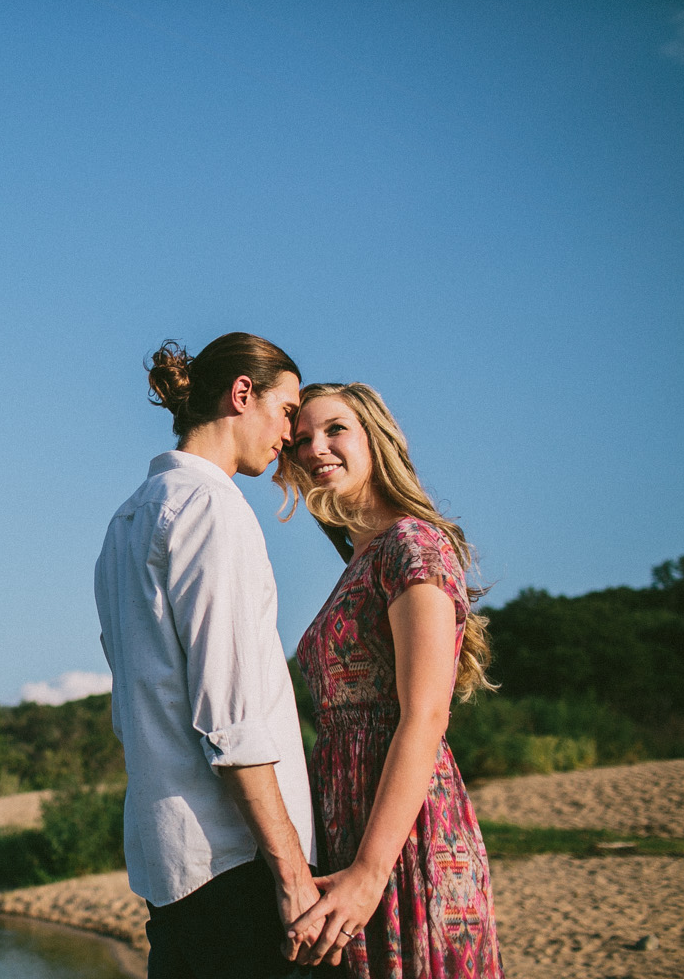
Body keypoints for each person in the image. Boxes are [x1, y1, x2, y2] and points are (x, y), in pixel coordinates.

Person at [95, 334, 336, 979]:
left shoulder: (125, 524)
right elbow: (231, 716)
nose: (292, 436)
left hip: (172, 866)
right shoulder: (210, 508)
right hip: (237, 865)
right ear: (241, 395)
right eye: (287, 412)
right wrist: (290, 872)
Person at [276, 382, 504, 978]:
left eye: (335, 430)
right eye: (301, 440)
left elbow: (426, 714)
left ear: (376, 438)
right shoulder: (362, 559)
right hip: (350, 818)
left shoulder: (411, 544)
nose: (315, 448)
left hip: (403, 832)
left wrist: (370, 872)